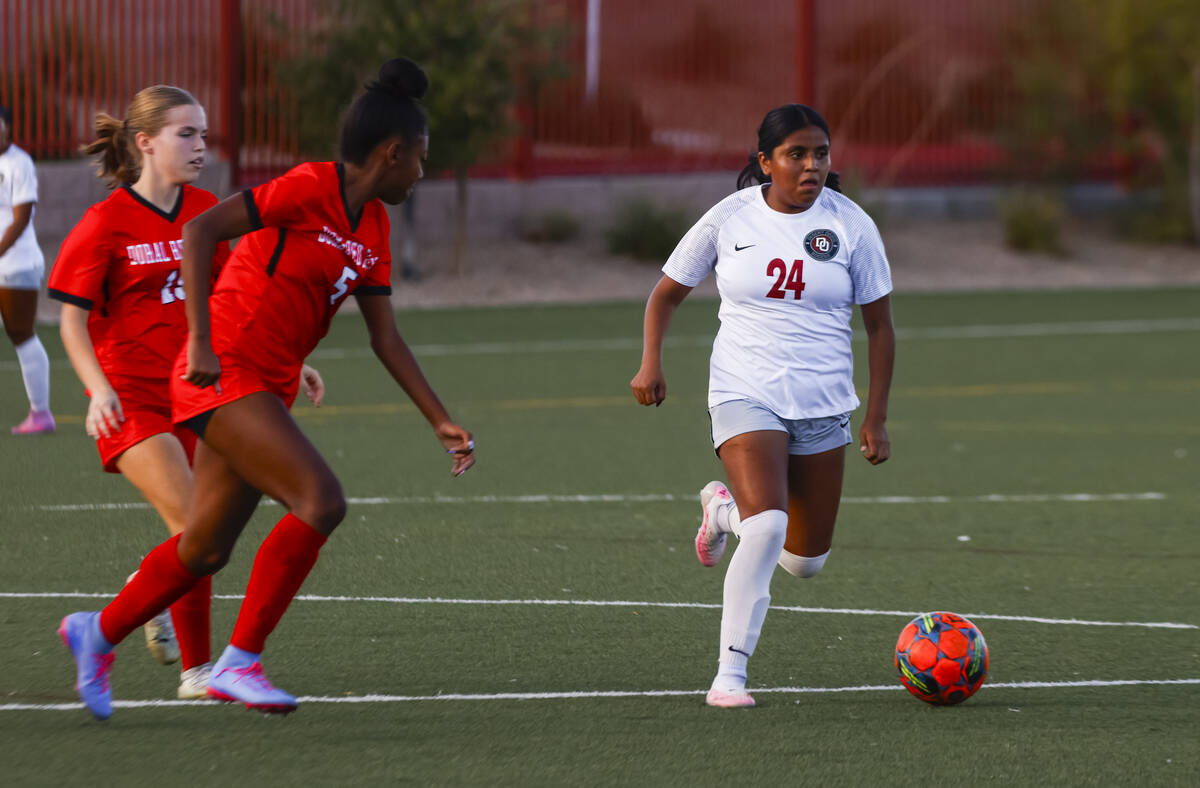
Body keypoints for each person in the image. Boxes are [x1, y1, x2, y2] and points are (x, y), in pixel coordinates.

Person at [57, 57, 475, 720]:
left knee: (204, 547)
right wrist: (199, 341)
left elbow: (385, 337)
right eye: (421, 159)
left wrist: (438, 419)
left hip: (265, 386)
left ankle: (97, 632)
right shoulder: (309, 186)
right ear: (391, 153)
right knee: (321, 500)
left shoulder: (374, 227)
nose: (422, 173)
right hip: (224, 370)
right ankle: (239, 661)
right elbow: (200, 231)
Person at [48, 85, 327, 700]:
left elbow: (237, 298)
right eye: (187, 134)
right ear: (145, 142)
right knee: (191, 524)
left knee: (203, 536)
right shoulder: (104, 222)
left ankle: (149, 606)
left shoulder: (206, 212)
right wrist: (97, 390)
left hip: (197, 395)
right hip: (129, 398)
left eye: (204, 134)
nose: (202, 146)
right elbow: (70, 320)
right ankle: (195, 668)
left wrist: (294, 359)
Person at [630, 104, 895, 708]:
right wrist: (650, 363)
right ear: (765, 162)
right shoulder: (730, 217)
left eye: (820, 154)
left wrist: (875, 417)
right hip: (743, 390)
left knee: (803, 562)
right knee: (770, 526)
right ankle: (730, 675)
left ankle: (723, 513)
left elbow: (880, 327)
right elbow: (665, 294)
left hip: (823, 405)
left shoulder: (852, 225)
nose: (811, 166)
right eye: (796, 154)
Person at [0, 103, 54, 434]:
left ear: (8, 128)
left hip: (17, 265)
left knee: (21, 334)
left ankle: (41, 414)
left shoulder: (19, 163)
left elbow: (21, 219)